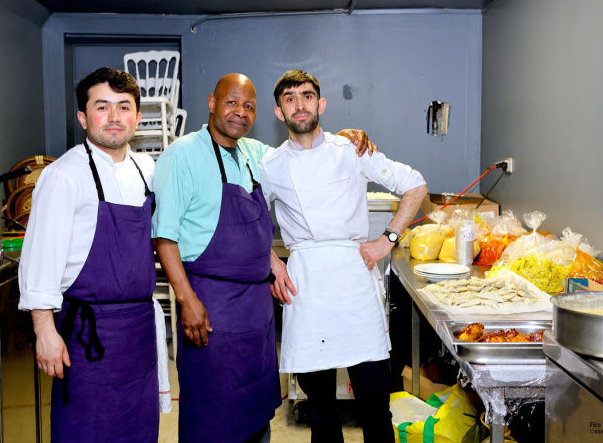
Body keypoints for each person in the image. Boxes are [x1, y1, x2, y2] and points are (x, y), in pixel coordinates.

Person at [152, 73, 375, 443]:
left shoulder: (256, 154)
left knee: (256, 413)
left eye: (249, 106)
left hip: (255, 309)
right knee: (212, 411)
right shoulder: (183, 154)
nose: (240, 112)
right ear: (211, 103)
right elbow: (164, 236)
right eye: (231, 102)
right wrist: (187, 299)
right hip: (210, 305)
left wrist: (344, 139)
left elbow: (307, 149)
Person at [259, 70, 428, 443]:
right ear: (278, 111)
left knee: (373, 399)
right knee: (319, 408)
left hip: (353, 281)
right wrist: (273, 264)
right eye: (289, 98)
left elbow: (415, 185)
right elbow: (247, 218)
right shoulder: (269, 165)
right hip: (306, 287)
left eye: (306, 96)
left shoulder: (352, 150)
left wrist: (388, 239)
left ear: (321, 104)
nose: (299, 104)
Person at [18, 67, 163, 442]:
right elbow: (40, 258)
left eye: (124, 107)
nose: (115, 118)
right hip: (87, 336)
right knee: (86, 430)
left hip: (139, 332)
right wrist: (44, 330)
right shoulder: (64, 175)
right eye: (102, 107)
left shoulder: (147, 169)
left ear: (138, 117)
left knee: (140, 432)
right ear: (83, 117)